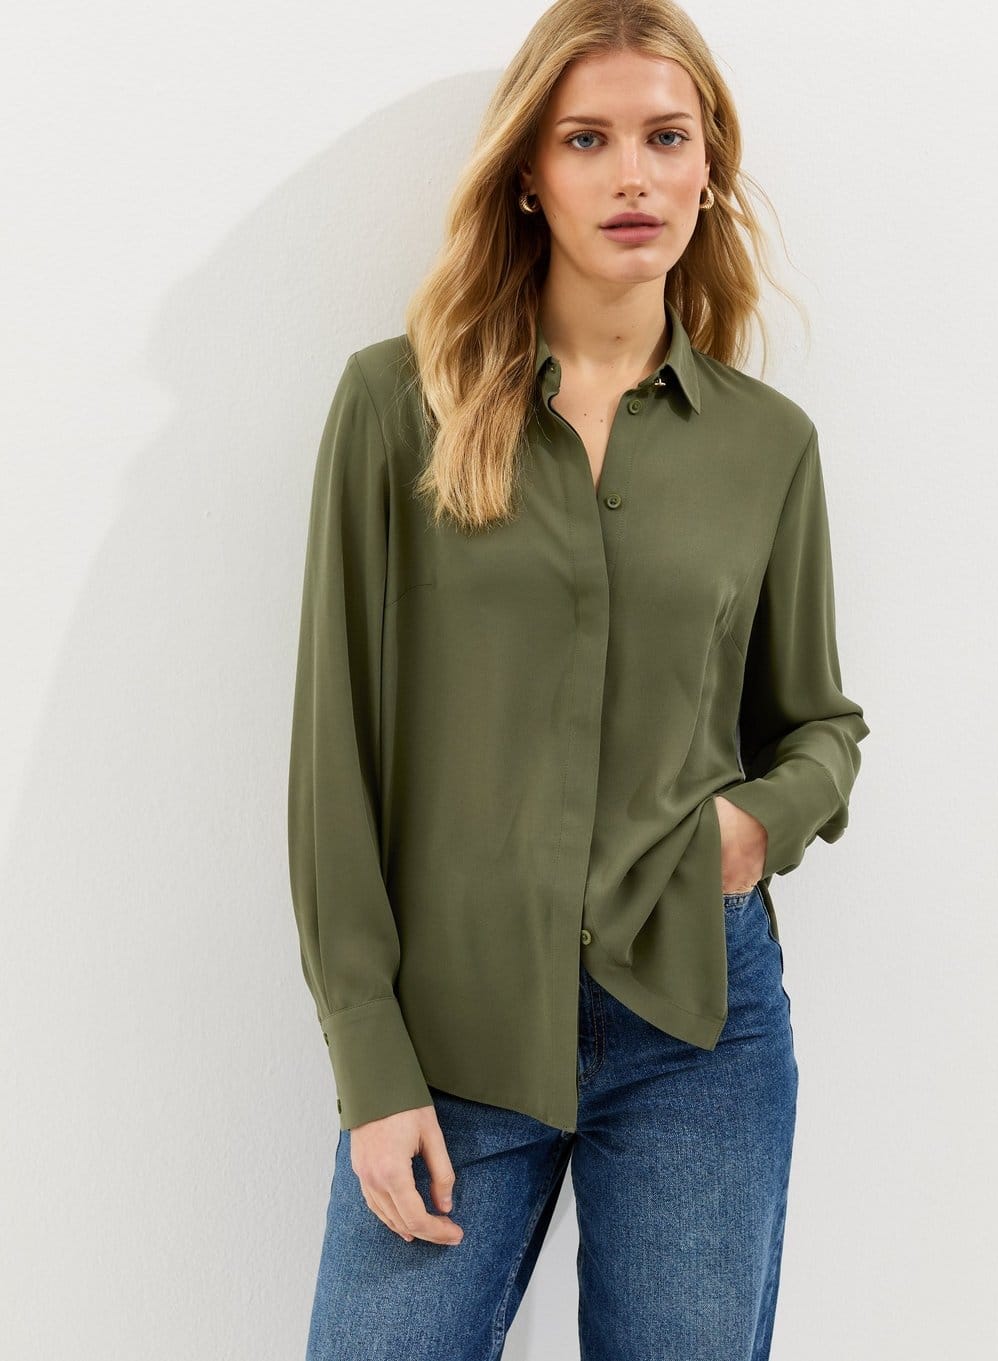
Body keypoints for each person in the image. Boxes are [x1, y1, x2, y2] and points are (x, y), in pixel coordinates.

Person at [288, 1, 870, 1356]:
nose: (632, 176)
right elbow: (334, 758)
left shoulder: (766, 445)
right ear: (528, 176)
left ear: (708, 167)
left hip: (698, 1031)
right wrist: (371, 1060)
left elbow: (818, 723)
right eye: (587, 139)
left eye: (667, 138)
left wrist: (753, 828)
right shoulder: (397, 408)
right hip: (453, 1028)